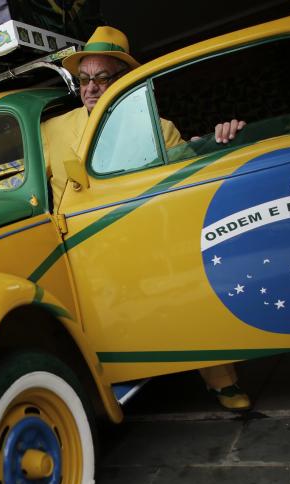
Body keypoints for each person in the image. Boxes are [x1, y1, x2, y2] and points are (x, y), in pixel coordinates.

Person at [41, 26, 251, 411]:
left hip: (143, 240)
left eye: (103, 78)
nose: (91, 87)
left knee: (188, 292)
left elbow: (192, 171)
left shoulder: (160, 127)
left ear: (124, 82)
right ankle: (109, 392)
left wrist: (223, 140)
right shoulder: (51, 131)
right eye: (84, 79)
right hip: (79, 249)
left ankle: (222, 380)